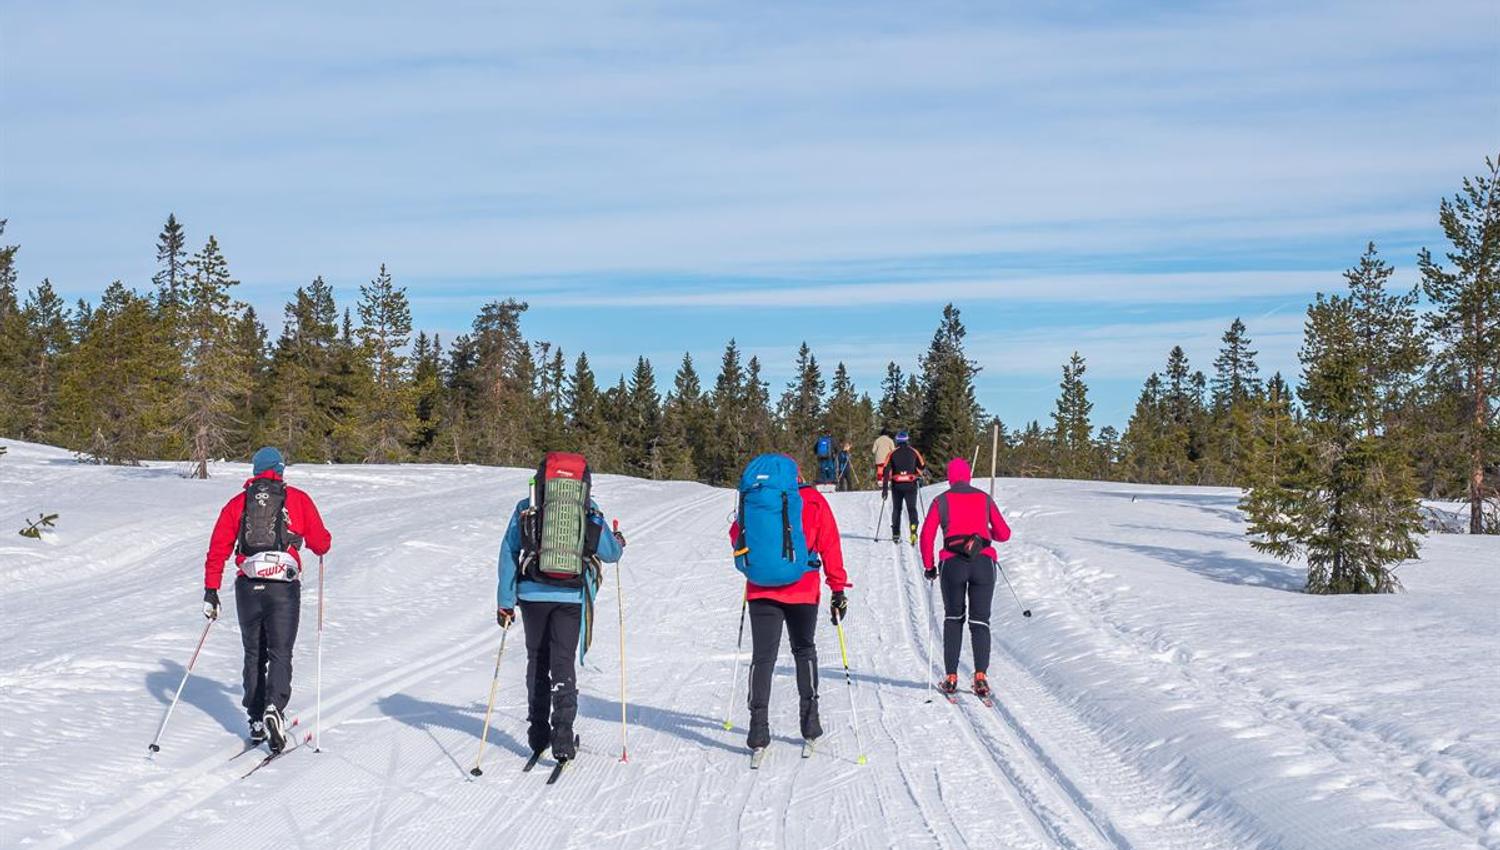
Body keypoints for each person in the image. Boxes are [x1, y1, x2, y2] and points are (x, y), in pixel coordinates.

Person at [497, 452, 625, 765]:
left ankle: (538, 733)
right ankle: (563, 737)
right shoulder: (587, 507)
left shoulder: (527, 505)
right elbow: (609, 553)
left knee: (537, 660)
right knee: (562, 662)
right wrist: (619, 541)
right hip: (570, 596)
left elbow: (509, 550)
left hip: (531, 595)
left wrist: (505, 602)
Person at [202, 446, 332, 753]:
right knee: (280, 651)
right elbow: (321, 543)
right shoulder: (297, 499)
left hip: (248, 586)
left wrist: (211, 589)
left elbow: (218, 548)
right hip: (283, 587)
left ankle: (256, 719)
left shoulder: (238, 503)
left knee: (253, 652)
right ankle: (275, 707)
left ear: (255, 471)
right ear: (281, 469)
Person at [728, 454, 848, 756]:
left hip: (760, 589)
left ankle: (757, 732)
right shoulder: (813, 500)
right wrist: (837, 588)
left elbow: (736, 536)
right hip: (803, 589)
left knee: (762, 658)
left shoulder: (755, 497)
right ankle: (810, 727)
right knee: (804, 650)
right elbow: (830, 544)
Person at [918, 457, 1012, 698]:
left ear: (950, 477)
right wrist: (983, 532)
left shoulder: (941, 501)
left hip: (952, 564)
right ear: (968, 476)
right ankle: (980, 677)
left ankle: (951, 677)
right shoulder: (984, 498)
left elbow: (926, 536)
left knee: (953, 618)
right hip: (983, 563)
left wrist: (929, 566)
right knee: (980, 621)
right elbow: (1004, 533)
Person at [881, 431, 926, 544]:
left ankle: (896, 533)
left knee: (897, 509)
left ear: (897, 441)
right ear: (907, 440)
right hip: (910, 484)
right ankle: (913, 528)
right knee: (912, 509)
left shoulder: (892, 453)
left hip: (897, 485)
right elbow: (922, 465)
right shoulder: (913, 451)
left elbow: (885, 471)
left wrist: (885, 489)